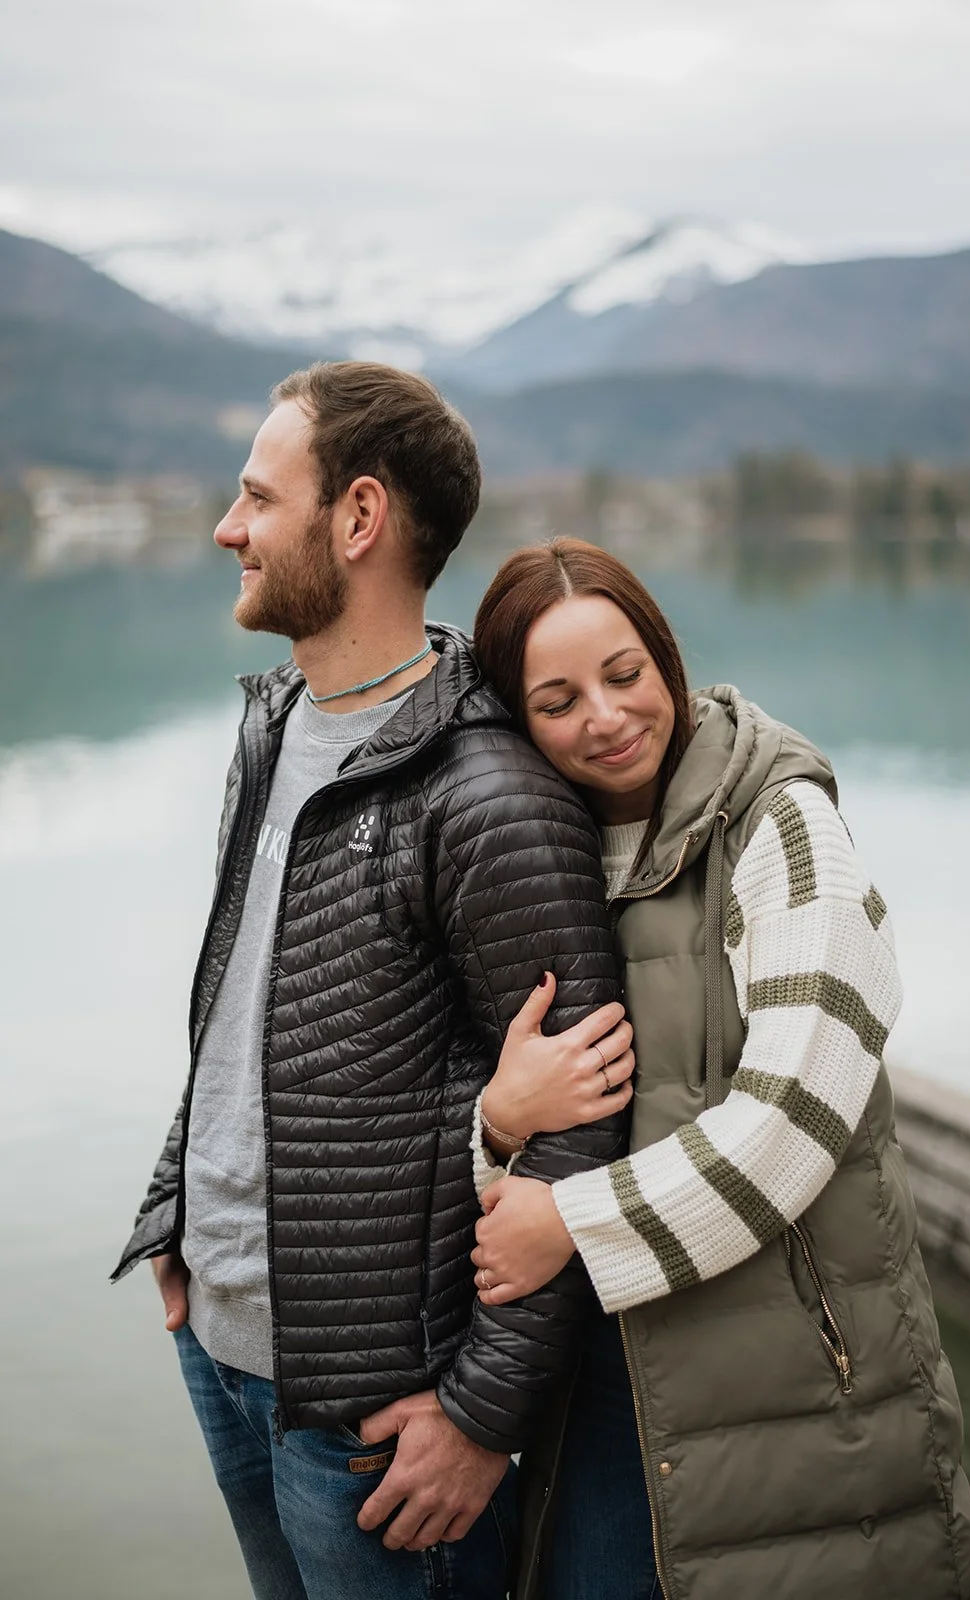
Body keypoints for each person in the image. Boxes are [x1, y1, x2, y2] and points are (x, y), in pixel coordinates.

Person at [111, 369, 634, 1600]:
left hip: (379, 1417)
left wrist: (484, 1415)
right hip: (222, 1346)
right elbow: (235, 998)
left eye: (257, 498)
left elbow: (585, 1127)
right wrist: (175, 1211)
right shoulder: (271, 726)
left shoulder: (489, 794)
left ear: (357, 518)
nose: (228, 528)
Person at [469, 538, 970, 1600]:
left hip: (796, 1387)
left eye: (624, 674)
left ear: (665, 657)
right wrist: (499, 1124)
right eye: (558, 701)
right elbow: (501, 1146)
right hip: (605, 1381)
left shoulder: (781, 824)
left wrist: (570, 1222)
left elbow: (794, 1124)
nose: (606, 718)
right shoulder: (536, 855)